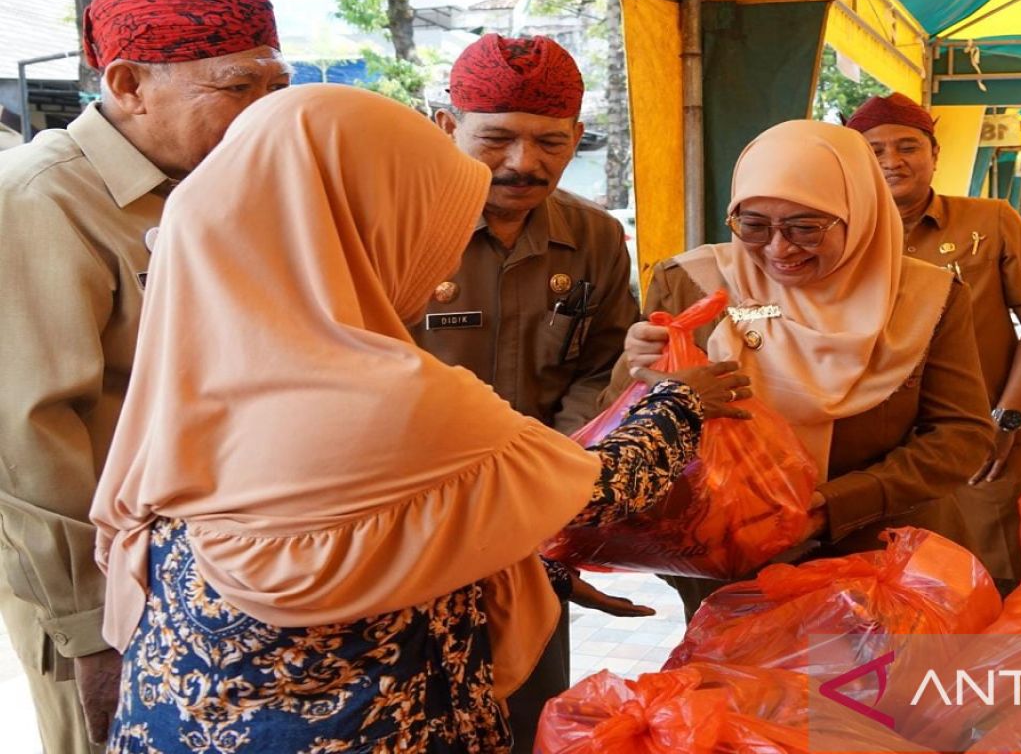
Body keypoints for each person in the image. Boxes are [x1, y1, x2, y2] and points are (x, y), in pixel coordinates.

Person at [88, 84, 744, 753]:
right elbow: (591, 491)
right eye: (428, 232)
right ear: (361, 223)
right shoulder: (390, 399)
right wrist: (678, 401)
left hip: (177, 713)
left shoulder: (193, 347)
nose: (436, 264)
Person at [0, 0, 288, 751]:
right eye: (238, 87)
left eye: (278, 85)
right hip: (101, 589)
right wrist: (96, 631)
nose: (268, 113)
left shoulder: (225, 181)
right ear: (128, 85)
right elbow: (28, 443)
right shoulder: (40, 199)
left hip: (212, 572)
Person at [610, 120, 994, 619]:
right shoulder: (692, 282)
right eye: (753, 225)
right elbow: (622, 421)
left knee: (863, 695)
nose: (778, 249)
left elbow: (961, 436)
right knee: (739, 693)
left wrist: (830, 506)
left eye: (805, 228)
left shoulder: (927, 298)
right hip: (728, 559)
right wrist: (633, 368)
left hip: (877, 556)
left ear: (858, 214)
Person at [411, 33, 640, 749]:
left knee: (530, 710)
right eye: (497, 138)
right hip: (415, 530)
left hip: (537, 525)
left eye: (549, 141)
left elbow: (603, 367)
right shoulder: (399, 226)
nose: (523, 164)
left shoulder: (596, 238)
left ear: (575, 136)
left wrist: (545, 484)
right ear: (447, 127)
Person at [847, 92, 1021, 592]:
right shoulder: (841, 233)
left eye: (907, 147)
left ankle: (993, 673)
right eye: (874, 151)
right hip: (883, 454)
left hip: (982, 441)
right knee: (899, 588)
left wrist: (1006, 419)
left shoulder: (990, 220)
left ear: (935, 155)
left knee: (997, 576)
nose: (892, 162)